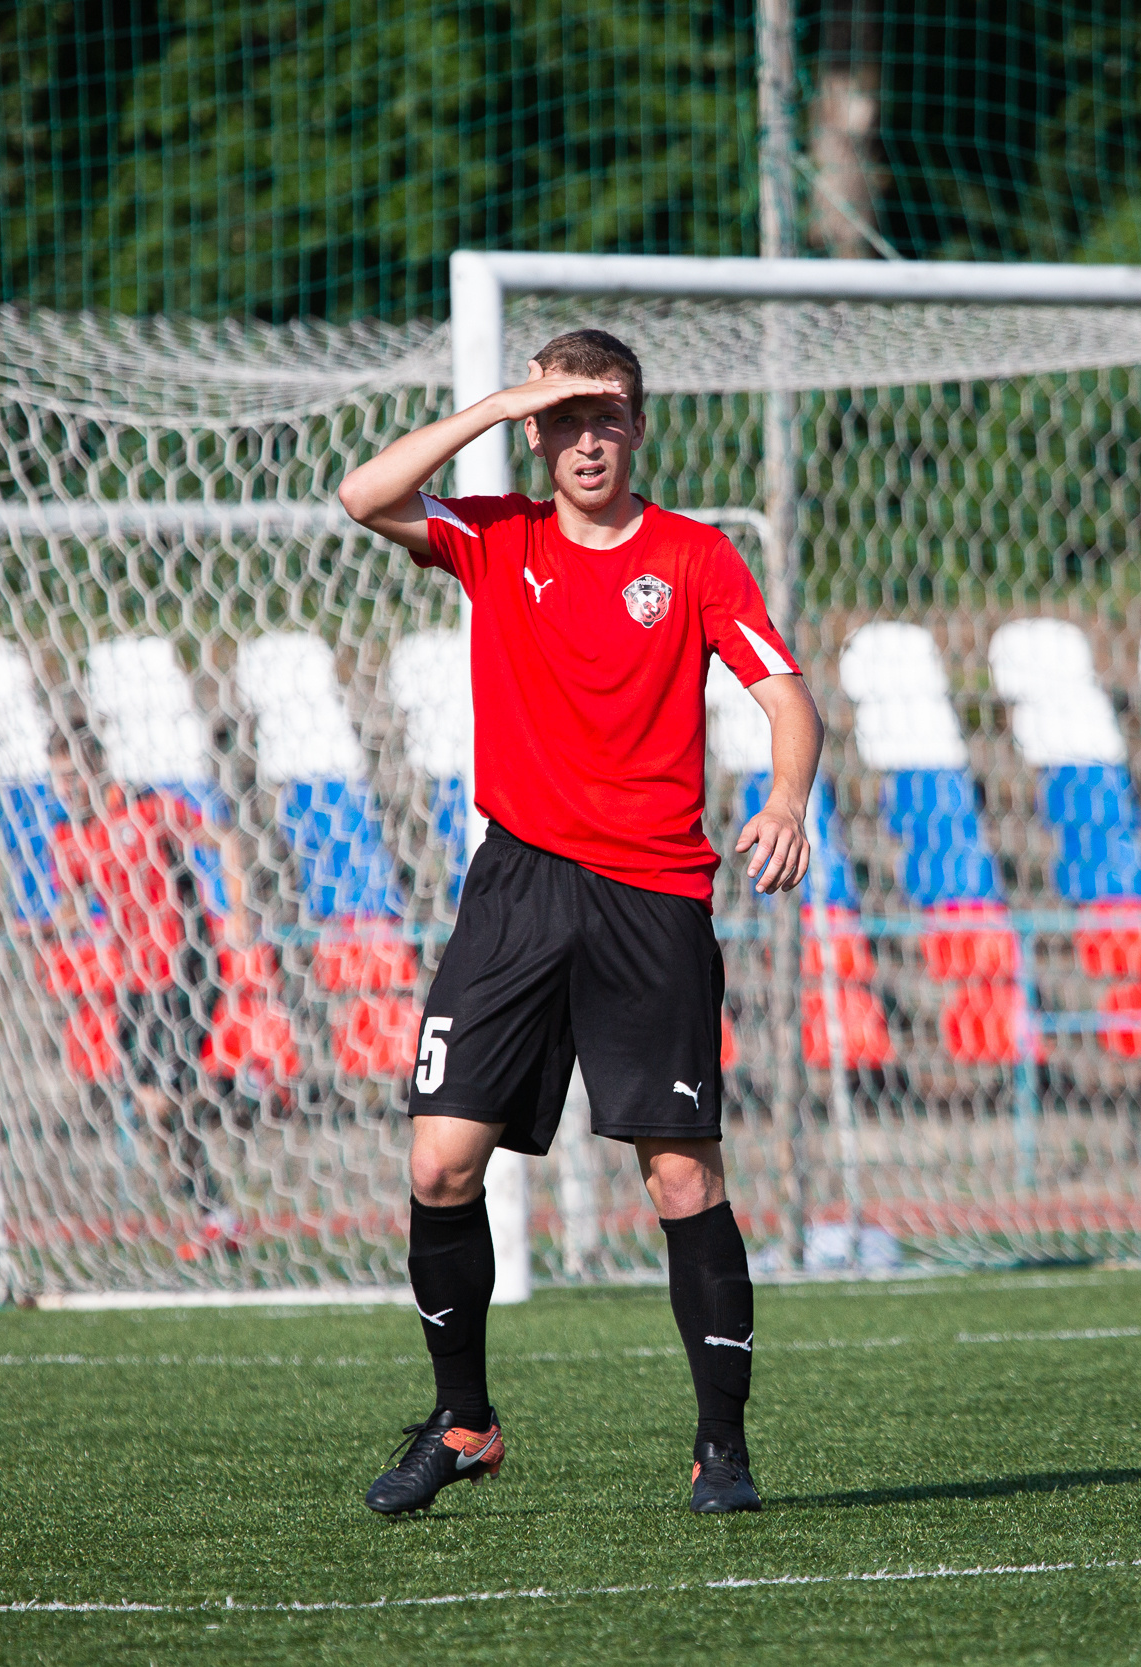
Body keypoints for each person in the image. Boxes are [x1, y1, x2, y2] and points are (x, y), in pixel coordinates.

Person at [335, 328, 821, 1515]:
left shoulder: (694, 555)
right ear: (535, 433)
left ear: (637, 428)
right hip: (516, 887)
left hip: (652, 896)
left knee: (680, 1177)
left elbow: (784, 694)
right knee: (439, 1162)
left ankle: (721, 1449)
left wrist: (785, 797)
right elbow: (362, 495)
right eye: (563, 418)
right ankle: (463, 1423)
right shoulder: (496, 538)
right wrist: (499, 402)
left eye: (605, 415)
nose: (585, 440)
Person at [47, 719, 256, 1259]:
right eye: (57, 778)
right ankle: (216, 1216)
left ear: (98, 768)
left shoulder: (149, 809)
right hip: (136, 984)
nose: (65, 788)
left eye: (72, 775)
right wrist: (45, 926)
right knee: (152, 1110)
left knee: (165, 1101)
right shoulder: (68, 839)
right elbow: (70, 905)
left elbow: (224, 840)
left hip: (187, 966)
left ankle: (242, 1094)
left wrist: (236, 911)